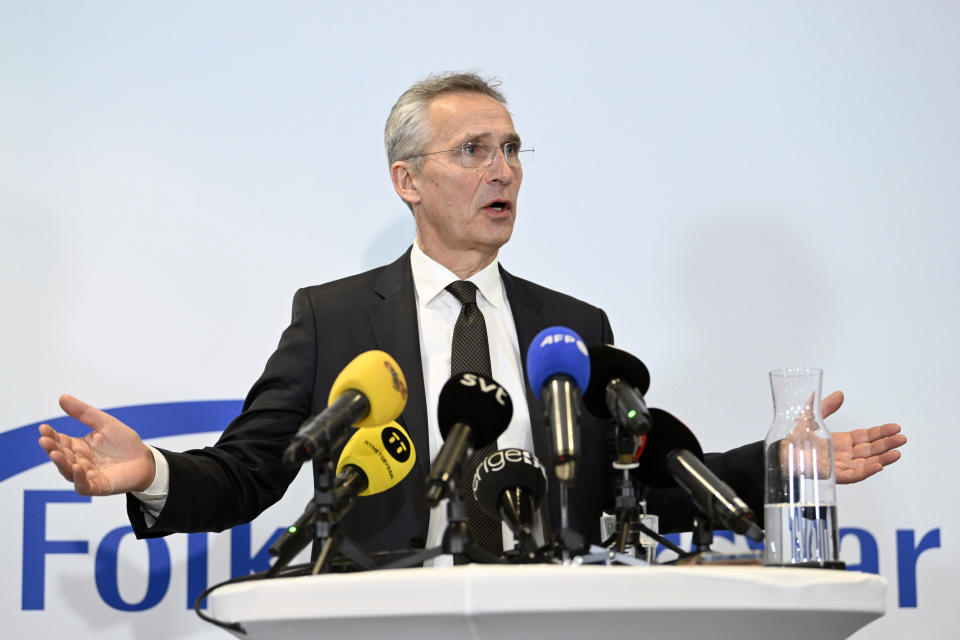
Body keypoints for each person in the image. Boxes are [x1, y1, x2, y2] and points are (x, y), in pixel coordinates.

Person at [37, 73, 906, 562]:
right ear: (407, 180)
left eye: (514, 149)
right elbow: (250, 472)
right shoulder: (332, 318)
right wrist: (149, 470)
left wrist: (779, 465)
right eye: (474, 151)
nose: (506, 171)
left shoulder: (572, 327)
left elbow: (641, 485)